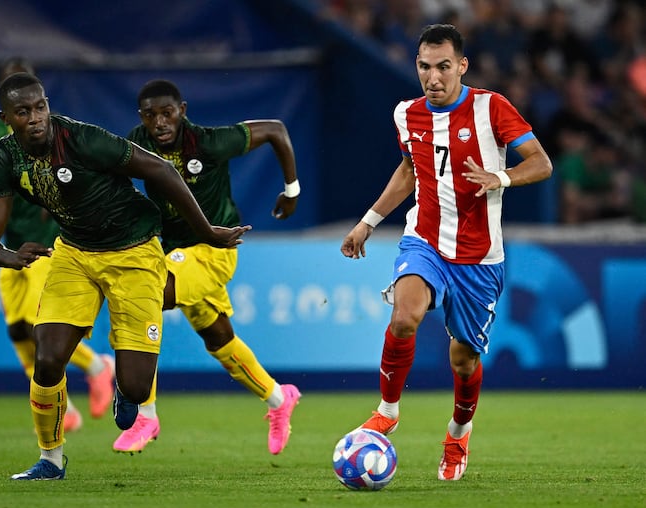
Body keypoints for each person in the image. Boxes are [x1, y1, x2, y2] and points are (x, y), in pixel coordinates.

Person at [0, 72, 248, 480]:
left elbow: (161, 171)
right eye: (23, 111)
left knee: (138, 390)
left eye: (40, 106)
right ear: (6, 117)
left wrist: (208, 232)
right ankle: (50, 460)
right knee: (47, 359)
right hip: (75, 253)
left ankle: (124, 385)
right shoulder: (3, 156)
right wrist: (9, 256)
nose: (35, 117)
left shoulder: (83, 139)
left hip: (134, 250)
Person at [340, 24, 552, 481]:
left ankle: (458, 434)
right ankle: (388, 411)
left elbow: (541, 161)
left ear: (461, 66)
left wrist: (503, 177)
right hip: (426, 241)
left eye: (442, 67)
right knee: (404, 316)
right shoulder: (407, 115)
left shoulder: (491, 107)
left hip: (479, 259)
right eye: (423, 67)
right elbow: (409, 171)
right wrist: (368, 222)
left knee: (464, 359)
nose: (432, 77)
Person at [115, 79, 301, 456]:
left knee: (146, 294)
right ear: (142, 118)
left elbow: (276, 131)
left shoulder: (210, 142)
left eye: (167, 113)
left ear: (182, 110)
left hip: (215, 250)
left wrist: (292, 190)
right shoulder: (138, 141)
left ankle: (145, 416)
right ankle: (280, 399)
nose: (160, 122)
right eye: (151, 116)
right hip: (173, 252)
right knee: (219, 340)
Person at [0, 57, 116, 432]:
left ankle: (96, 367)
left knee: (41, 326)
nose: (32, 113)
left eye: (36, 102)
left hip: (46, 242)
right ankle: (69, 405)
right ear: (5, 107)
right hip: (13, 242)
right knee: (17, 331)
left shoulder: (57, 133)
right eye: (18, 102)